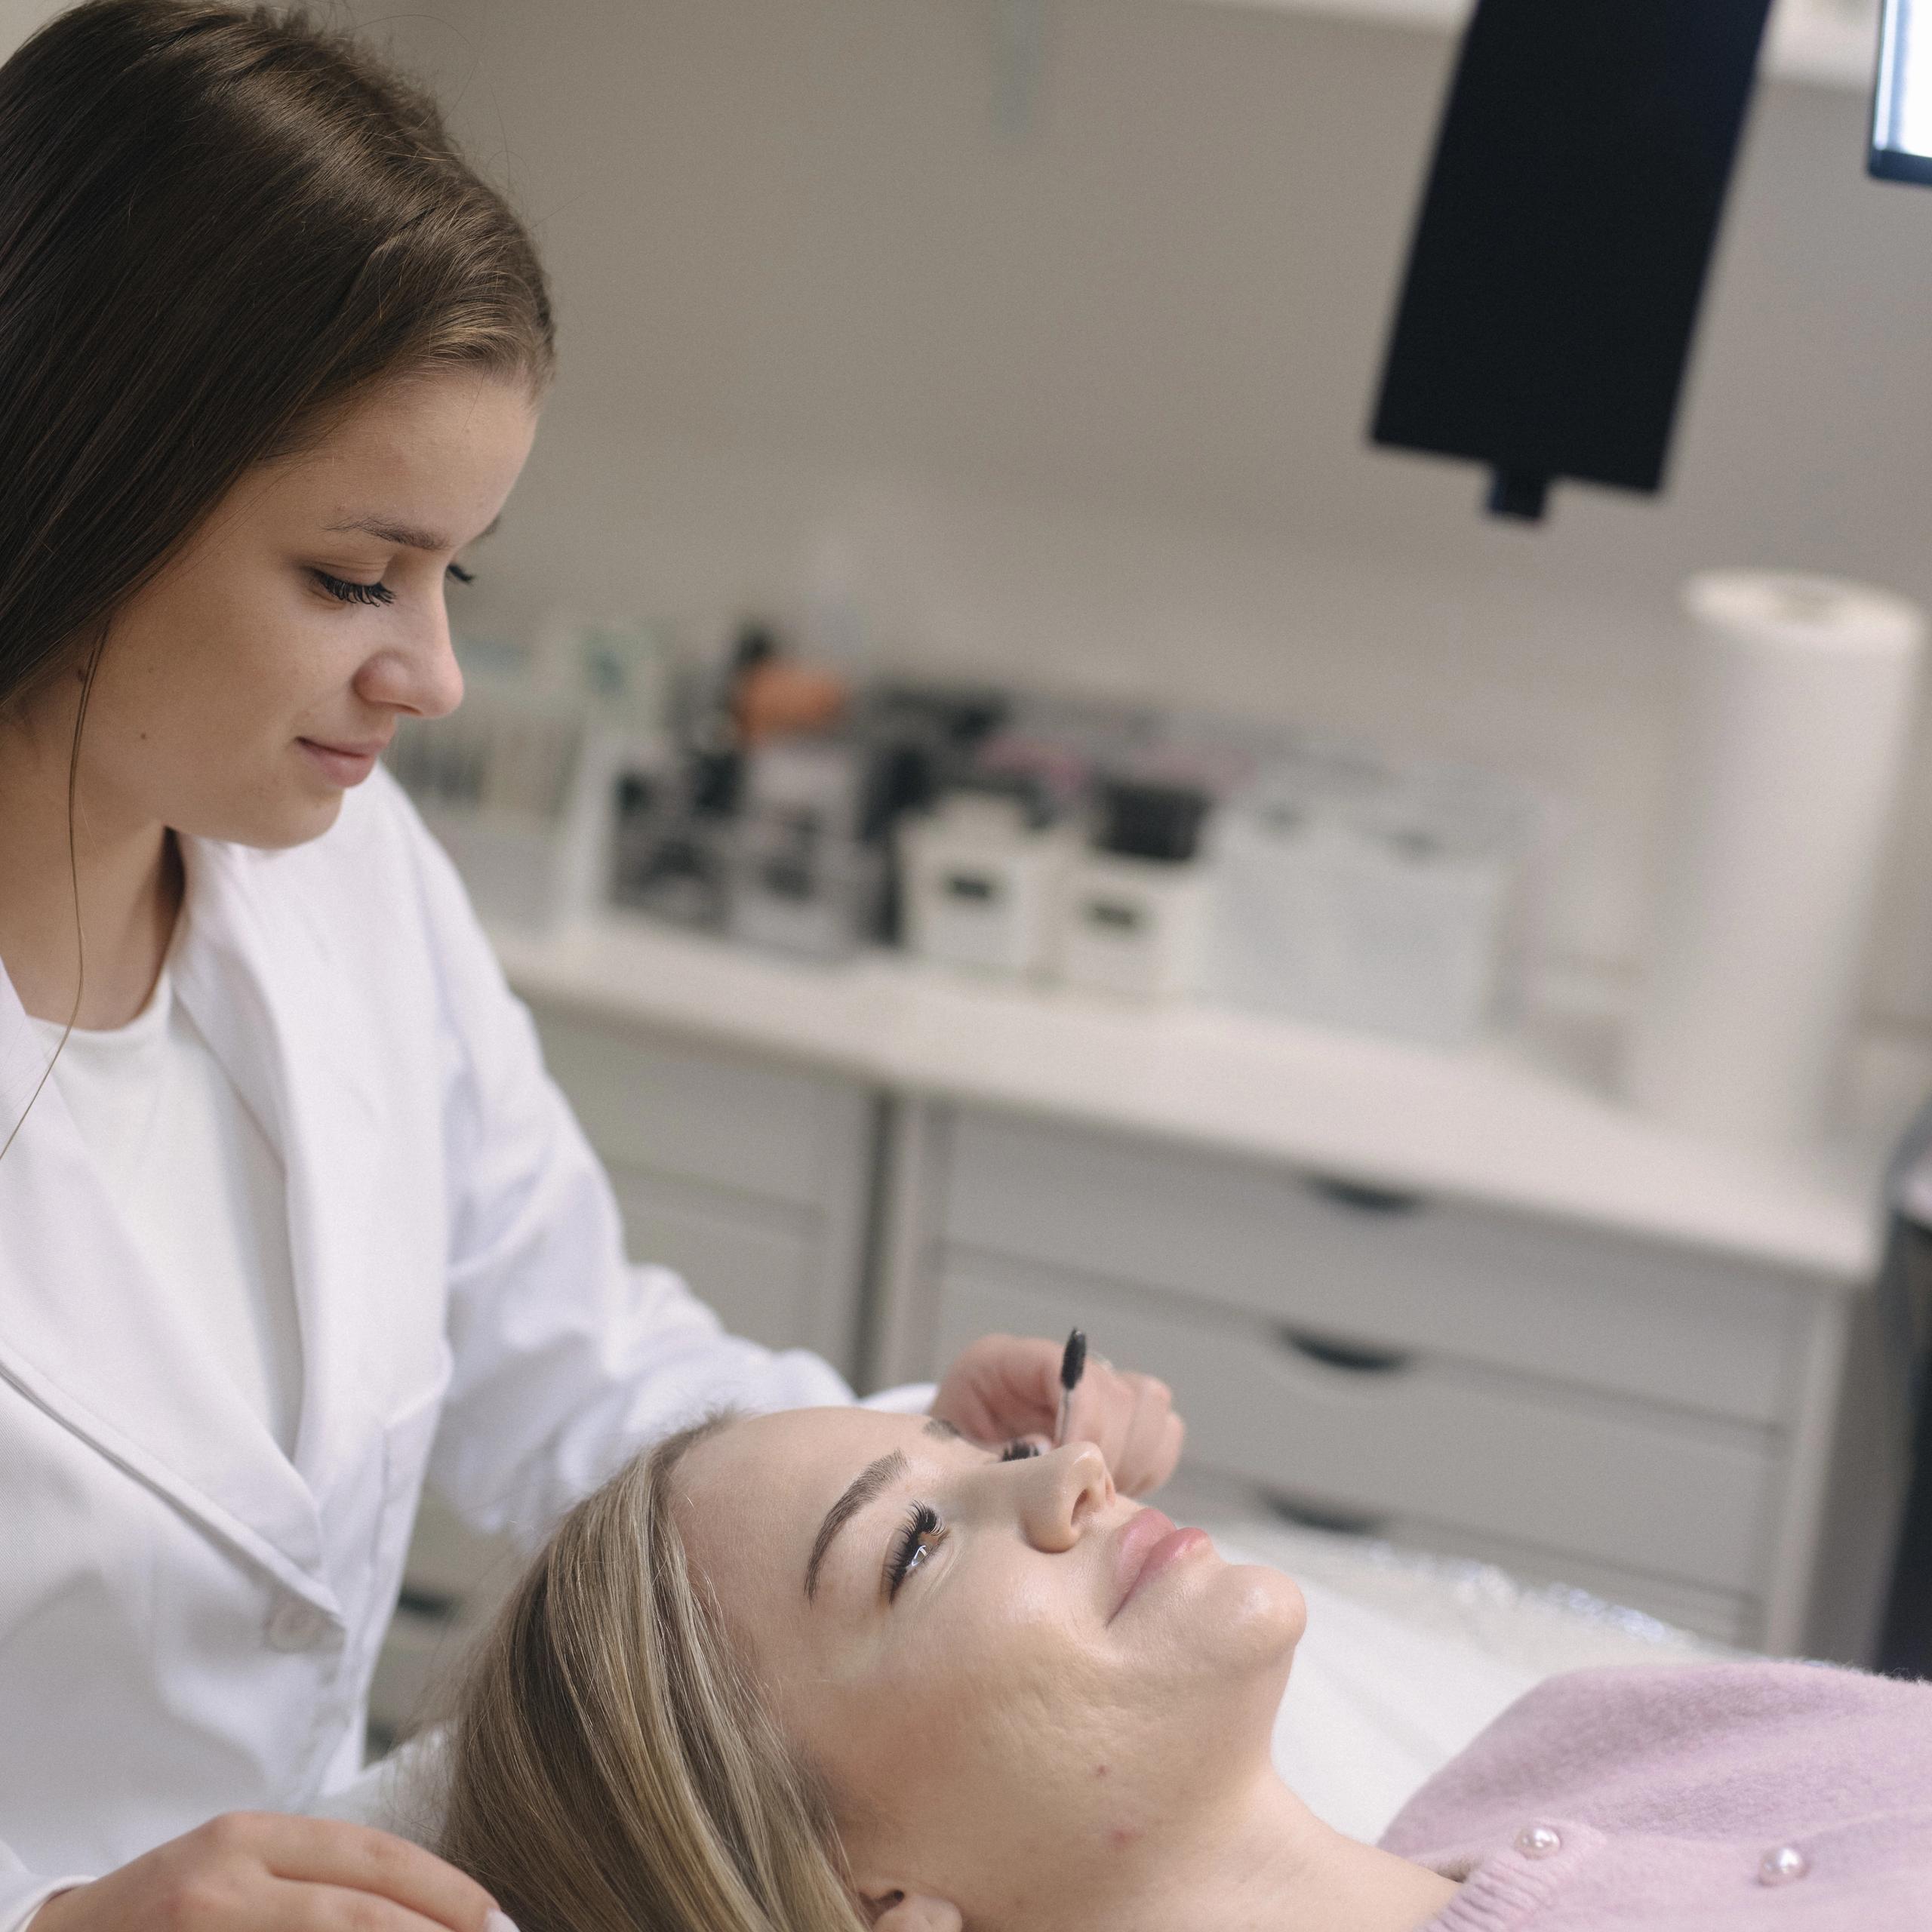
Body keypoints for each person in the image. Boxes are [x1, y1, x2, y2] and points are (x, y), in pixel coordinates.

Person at [0, 8, 1184, 1930]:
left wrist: (914, 1475)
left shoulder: (339, 872)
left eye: (450, 577)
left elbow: (574, 1361)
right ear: (75, 478)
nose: (431, 675)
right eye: (347, 576)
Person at [438, 1403, 1932, 1932]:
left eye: (992, 1452)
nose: (1070, 1473)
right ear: (860, 1893)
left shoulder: (1605, 1733)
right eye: (912, 1546)